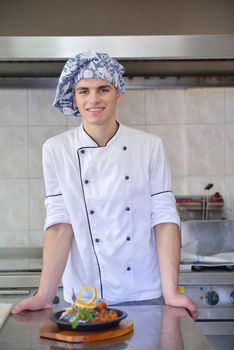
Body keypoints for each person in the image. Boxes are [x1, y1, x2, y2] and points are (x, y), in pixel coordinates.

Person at [11, 51, 197, 319]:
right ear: (74, 97)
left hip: (142, 290)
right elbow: (60, 224)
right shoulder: (56, 149)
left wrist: (171, 292)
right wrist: (43, 294)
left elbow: (165, 219)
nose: (93, 99)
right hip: (86, 296)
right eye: (83, 91)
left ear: (117, 93)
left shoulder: (149, 145)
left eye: (103, 89)